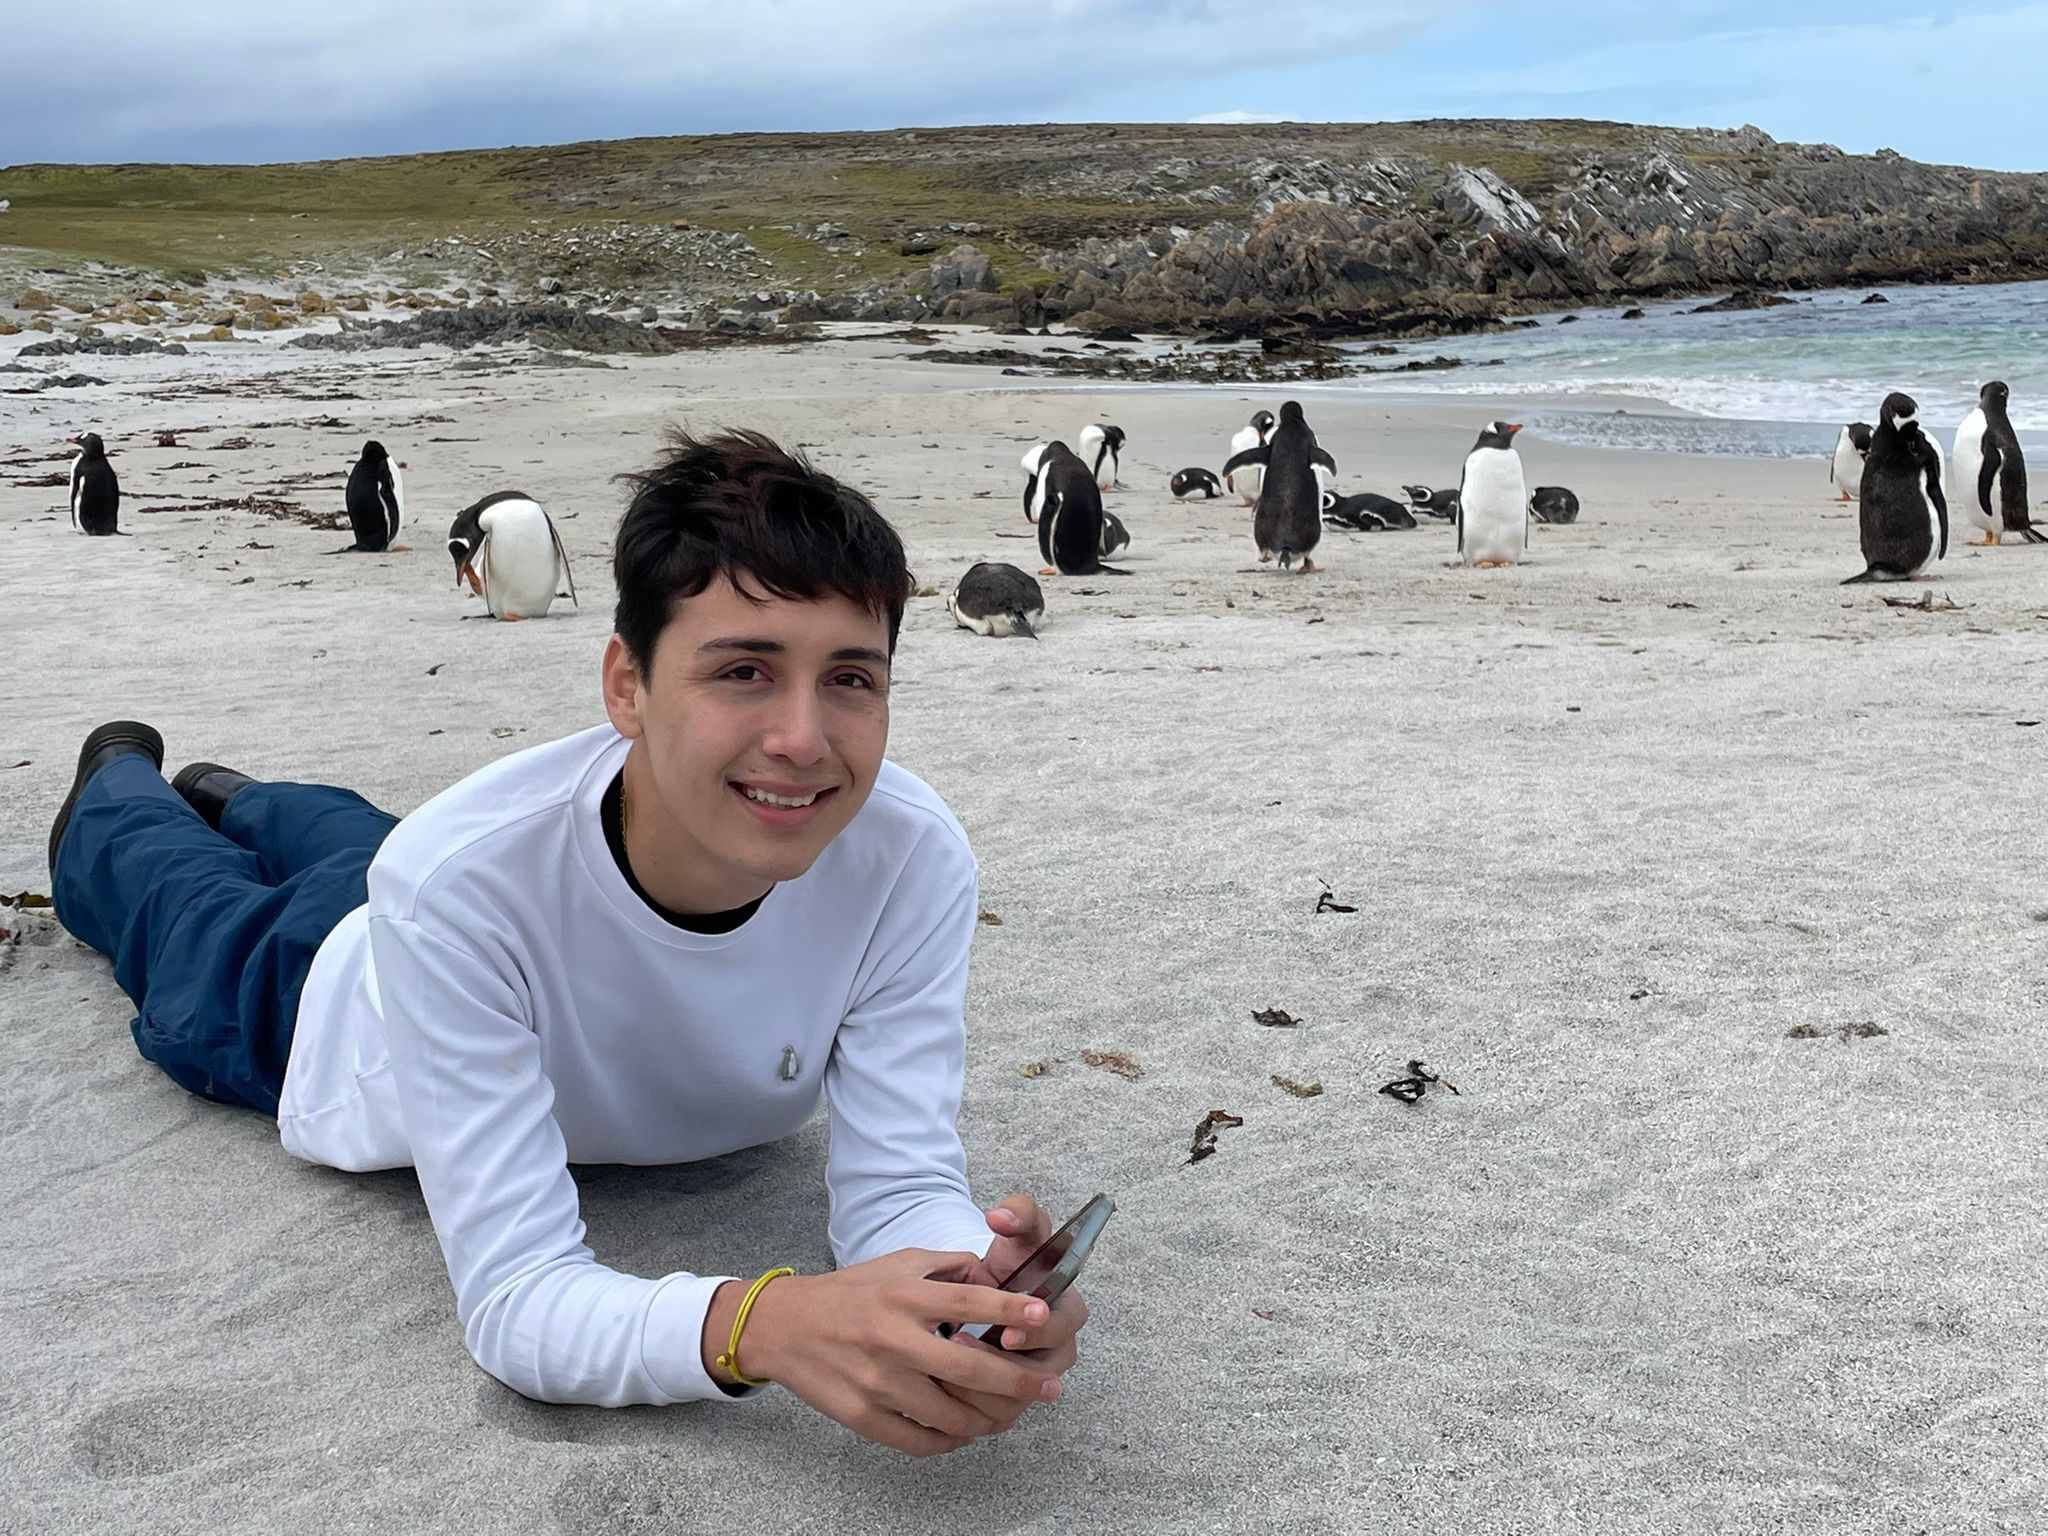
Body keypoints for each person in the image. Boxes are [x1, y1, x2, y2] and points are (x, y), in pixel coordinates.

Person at [46, 429, 1087, 1457]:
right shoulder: (458, 883)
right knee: (158, 885)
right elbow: (517, 1302)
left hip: (443, 890)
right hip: (319, 1002)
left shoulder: (908, 856)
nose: (803, 740)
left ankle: (243, 796)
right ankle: (122, 780)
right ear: (625, 687)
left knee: (352, 834)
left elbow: (900, 1184)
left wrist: (967, 1294)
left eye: (850, 680)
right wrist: (758, 1324)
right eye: (742, 672)